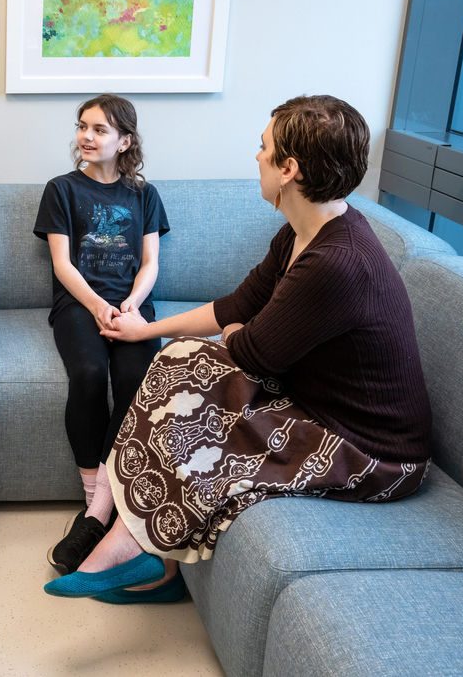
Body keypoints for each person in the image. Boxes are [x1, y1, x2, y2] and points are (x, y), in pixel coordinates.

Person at [44, 95, 432, 604]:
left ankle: (142, 556)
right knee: (179, 360)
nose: (256, 157)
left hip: (372, 450)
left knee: (201, 390)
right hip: (317, 404)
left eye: (263, 147)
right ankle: (132, 544)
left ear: (289, 168)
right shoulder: (302, 234)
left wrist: (233, 335)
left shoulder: (338, 261)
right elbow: (239, 305)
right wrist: (143, 332)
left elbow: (252, 352)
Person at [34, 95, 168, 574]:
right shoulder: (62, 190)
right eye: (82, 127)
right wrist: (97, 306)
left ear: (125, 141)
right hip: (79, 305)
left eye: (100, 130)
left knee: (137, 383)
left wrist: (130, 306)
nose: (87, 137)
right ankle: (96, 501)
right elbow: (62, 264)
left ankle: (97, 514)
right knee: (90, 374)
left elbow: (150, 263)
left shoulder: (144, 195)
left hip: (132, 308)